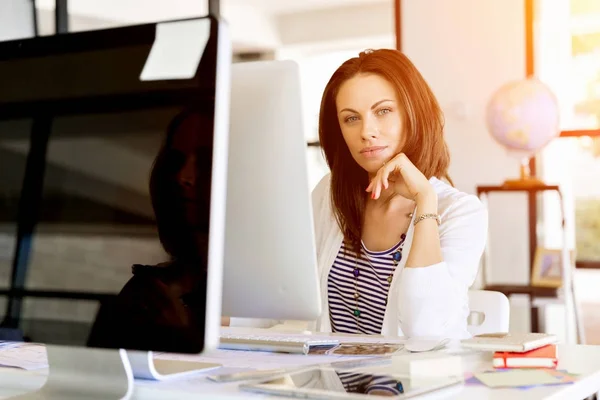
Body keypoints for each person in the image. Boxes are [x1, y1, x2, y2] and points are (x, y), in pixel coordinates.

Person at [312, 48, 487, 339]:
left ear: (413, 114)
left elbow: (425, 331)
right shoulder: (328, 195)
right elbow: (288, 296)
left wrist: (425, 201)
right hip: (332, 384)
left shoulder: (462, 212)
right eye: (351, 118)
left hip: (420, 382)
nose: (367, 131)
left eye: (383, 111)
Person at [87, 108, 214, 353]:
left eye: (207, 162)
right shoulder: (145, 290)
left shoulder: (259, 302)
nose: (183, 177)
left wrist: (185, 337)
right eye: (176, 161)